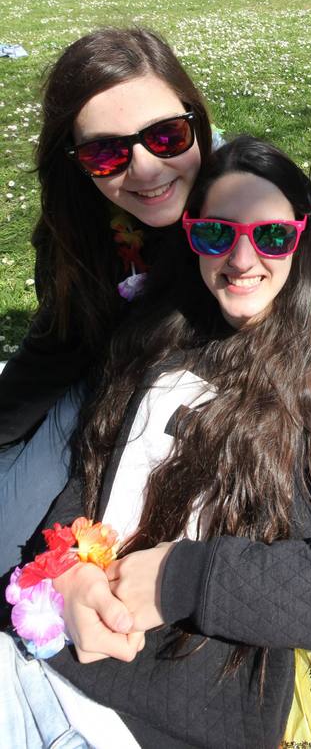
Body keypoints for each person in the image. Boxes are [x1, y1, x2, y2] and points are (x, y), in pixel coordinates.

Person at [0, 137, 311, 748]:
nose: (240, 259)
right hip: (36, 658)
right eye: (215, 235)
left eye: (272, 237)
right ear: (190, 238)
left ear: (302, 239)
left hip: (165, 719)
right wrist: (67, 571)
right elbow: (88, 473)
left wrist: (181, 581)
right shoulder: (153, 331)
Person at [0, 29, 215, 575]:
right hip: (91, 402)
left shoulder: (248, 210)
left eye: (166, 136)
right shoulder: (78, 234)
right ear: (75, 161)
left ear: (195, 121)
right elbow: (55, 351)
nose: (144, 169)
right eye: (105, 152)